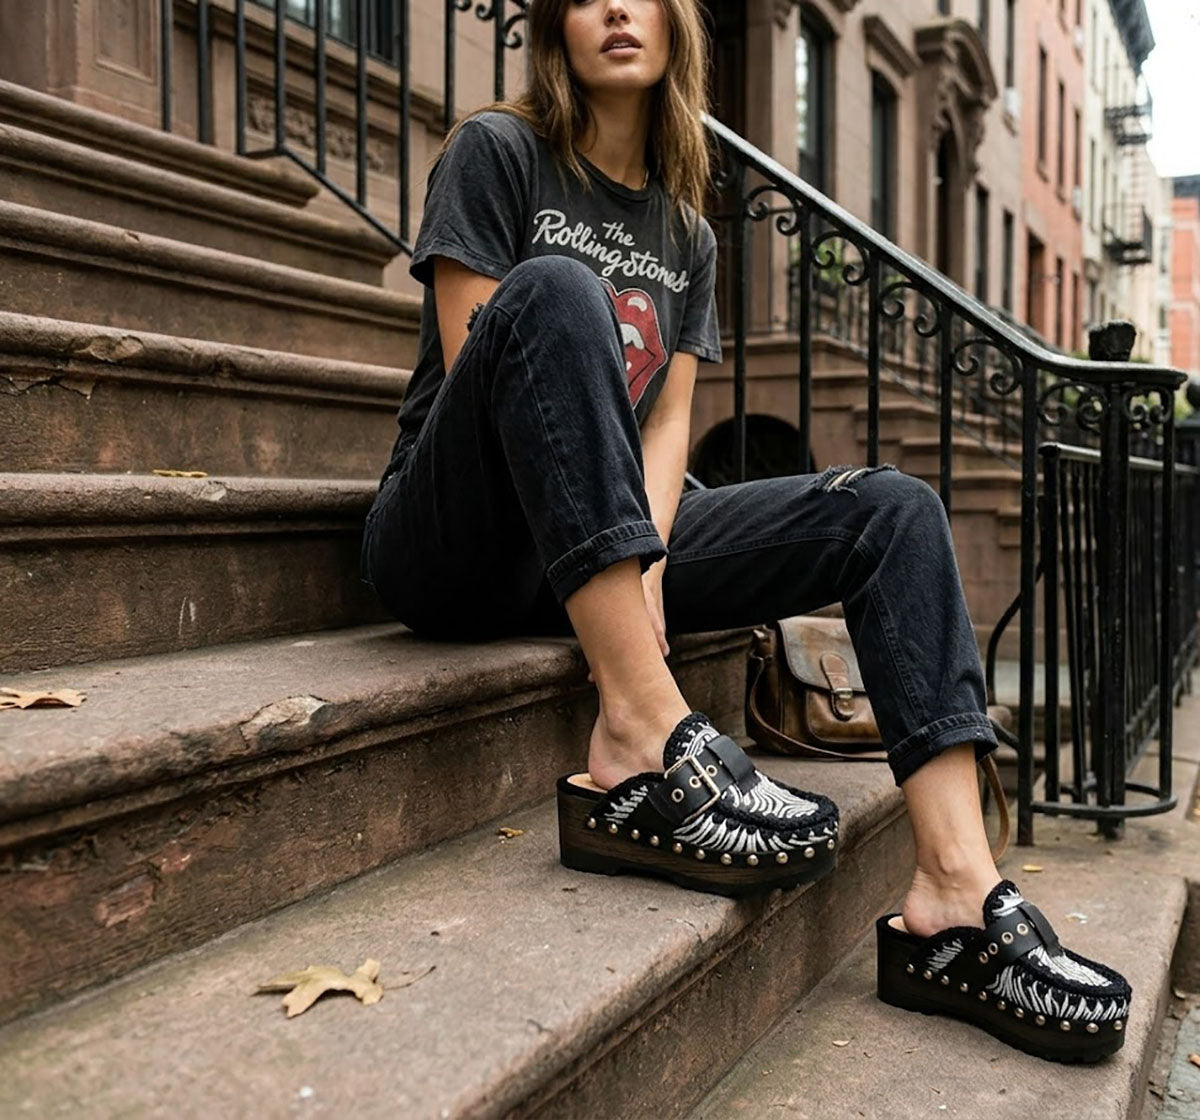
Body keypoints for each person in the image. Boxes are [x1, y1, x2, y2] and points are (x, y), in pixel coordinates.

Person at [361, 0, 1131, 1063]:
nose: (616, 9)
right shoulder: (496, 154)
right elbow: (476, 366)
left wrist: (648, 565)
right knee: (554, 290)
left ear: (681, 24)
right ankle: (637, 731)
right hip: (452, 537)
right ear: (555, 27)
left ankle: (957, 891)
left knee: (892, 510)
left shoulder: (683, 226)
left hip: (594, 544)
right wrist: (618, 575)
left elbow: (669, 420)